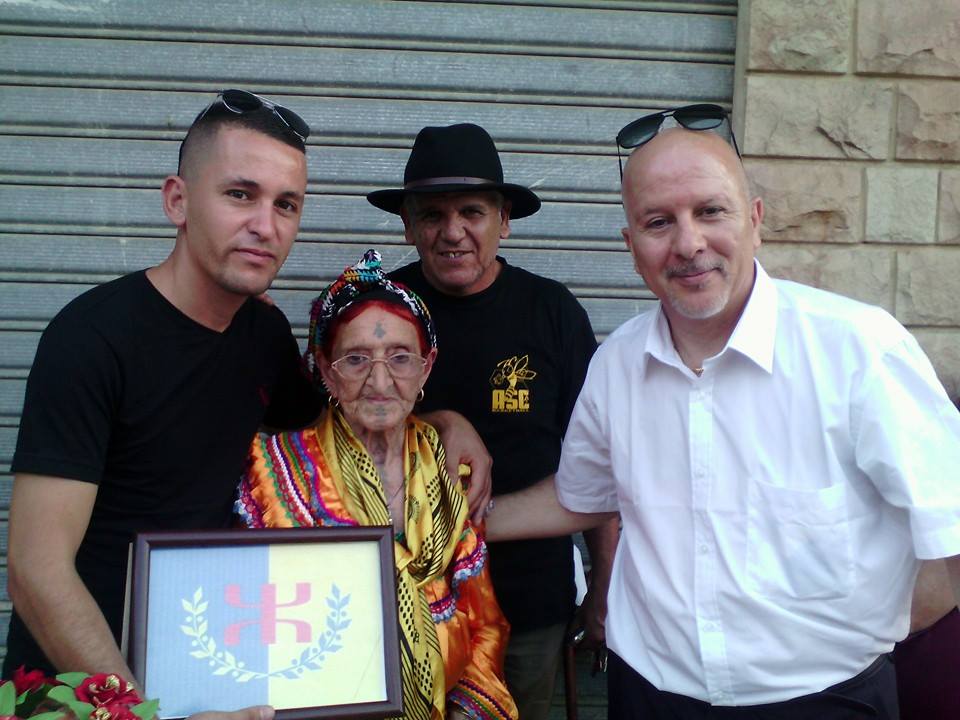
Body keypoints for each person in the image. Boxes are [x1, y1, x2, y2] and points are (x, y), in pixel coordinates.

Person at [4, 91, 491, 710]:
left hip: (213, 676)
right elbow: (36, 572)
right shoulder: (92, 339)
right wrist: (134, 708)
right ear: (177, 201)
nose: (267, 225)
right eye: (241, 195)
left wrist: (448, 421)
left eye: (286, 204)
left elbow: (340, 422)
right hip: (76, 691)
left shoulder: (261, 336)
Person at [485, 117, 960, 719]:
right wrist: (438, 515)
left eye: (711, 211)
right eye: (659, 222)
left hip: (825, 701)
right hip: (651, 696)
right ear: (631, 247)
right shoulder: (617, 364)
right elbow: (581, 495)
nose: (688, 244)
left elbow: (951, 519)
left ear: (755, 221)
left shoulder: (858, 350)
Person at [367, 123, 619, 720]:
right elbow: (331, 431)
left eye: (472, 212)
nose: (452, 232)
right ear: (407, 224)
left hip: (529, 605)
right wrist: (443, 419)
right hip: (397, 601)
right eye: (432, 214)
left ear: (503, 220)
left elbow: (597, 463)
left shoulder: (552, 312)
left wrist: (604, 589)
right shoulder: (377, 311)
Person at [237, 250, 516, 720]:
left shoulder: (449, 469)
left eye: (401, 358)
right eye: (356, 359)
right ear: (326, 370)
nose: (380, 381)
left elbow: (484, 623)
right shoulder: (270, 469)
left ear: (426, 368)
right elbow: (252, 629)